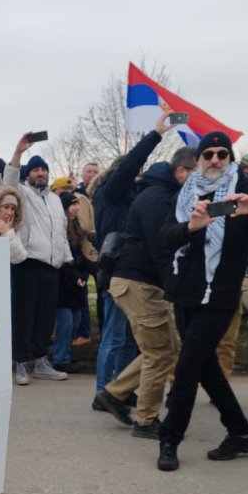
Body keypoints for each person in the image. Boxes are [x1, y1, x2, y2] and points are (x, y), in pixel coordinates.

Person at [156, 131, 248, 471]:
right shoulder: (185, 193)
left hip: (220, 296)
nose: (214, 160)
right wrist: (191, 228)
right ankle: (241, 434)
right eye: (208, 154)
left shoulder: (247, 189)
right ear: (198, 159)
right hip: (184, 292)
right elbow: (166, 238)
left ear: (230, 158)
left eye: (221, 154)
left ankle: (169, 439)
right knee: (206, 368)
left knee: (186, 369)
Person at [93, 146, 197, 439]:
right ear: (181, 172)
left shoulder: (162, 194)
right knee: (159, 352)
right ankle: (145, 419)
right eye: (196, 174)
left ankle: (114, 393)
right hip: (138, 283)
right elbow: (161, 248)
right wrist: (175, 288)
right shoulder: (157, 198)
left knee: (165, 348)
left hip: (139, 283)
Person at [93, 113, 176, 392]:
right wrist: (155, 135)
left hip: (130, 271)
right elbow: (130, 165)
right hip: (116, 269)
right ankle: (105, 389)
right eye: (135, 172)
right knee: (115, 336)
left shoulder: (132, 196)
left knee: (131, 338)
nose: (140, 176)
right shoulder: (113, 192)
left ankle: (121, 390)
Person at [4, 133, 72, 383]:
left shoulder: (55, 200)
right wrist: (19, 152)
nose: (40, 173)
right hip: (27, 263)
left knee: (45, 317)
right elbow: (9, 180)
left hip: (51, 266)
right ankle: (20, 362)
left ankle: (42, 361)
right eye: (36, 170)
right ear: (29, 174)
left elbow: (61, 232)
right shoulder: (22, 193)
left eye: (44, 169)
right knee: (24, 315)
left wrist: (67, 261)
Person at [50, 192, 97, 371]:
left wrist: (93, 268)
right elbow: (63, 257)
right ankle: (60, 359)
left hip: (76, 280)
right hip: (64, 281)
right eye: (73, 204)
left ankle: (64, 354)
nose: (77, 207)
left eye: (77, 204)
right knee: (66, 321)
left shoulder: (76, 227)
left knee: (75, 320)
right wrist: (75, 274)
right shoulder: (59, 228)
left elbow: (78, 255)